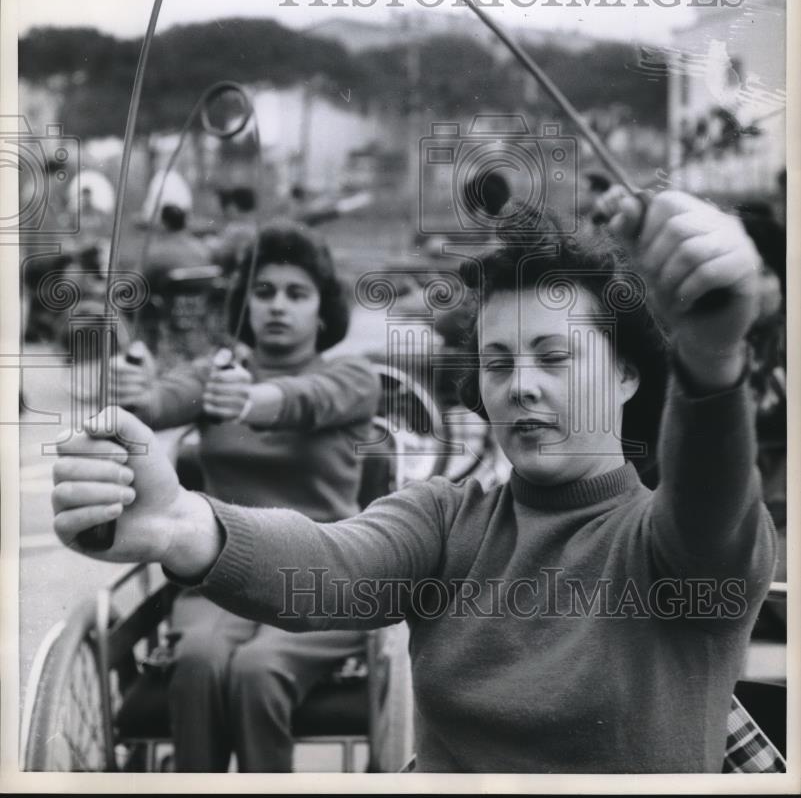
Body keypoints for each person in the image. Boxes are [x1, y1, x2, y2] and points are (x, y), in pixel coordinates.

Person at [53, 189, 776, 773]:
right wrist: (181, 522)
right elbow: (328, 561)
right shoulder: (446, 520)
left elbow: (710, 486)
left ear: (625, 375)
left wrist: (710, 360)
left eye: (553, 357)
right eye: (496, 363)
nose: (520, 385)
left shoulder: (678, 546)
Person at [102, 221, 380, 772]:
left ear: (322, 311)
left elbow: (308, 399)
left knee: (258, 671)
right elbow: (161, 400)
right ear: (245, 304)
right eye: (264, 291)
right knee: (198, 663)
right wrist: (137, 390)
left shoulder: (353, 375)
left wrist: (253, 399)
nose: (278, 306)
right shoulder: (216, 370)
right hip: (223, 578)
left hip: (322, 578)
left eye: (296, 294)